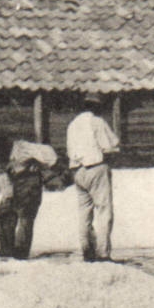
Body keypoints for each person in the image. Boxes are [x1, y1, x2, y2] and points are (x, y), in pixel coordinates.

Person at [0, 136, 59, 258]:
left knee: (25, 216)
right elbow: (4, 180)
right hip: (15, 183)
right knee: (4, 214)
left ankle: (21, 252)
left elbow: (48, 153)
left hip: (30, 182)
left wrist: (43, 165)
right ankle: (6, 249)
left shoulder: (21, 148)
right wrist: (7, 198)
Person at [66, 93, 118, 262]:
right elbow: (110, 145)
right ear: (96, 107)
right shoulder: (97, 122)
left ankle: (87, 249)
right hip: (95, 167)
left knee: (84, 213)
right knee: (104, 210)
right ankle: (103, 253)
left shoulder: (72, 125)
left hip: (77, 170)